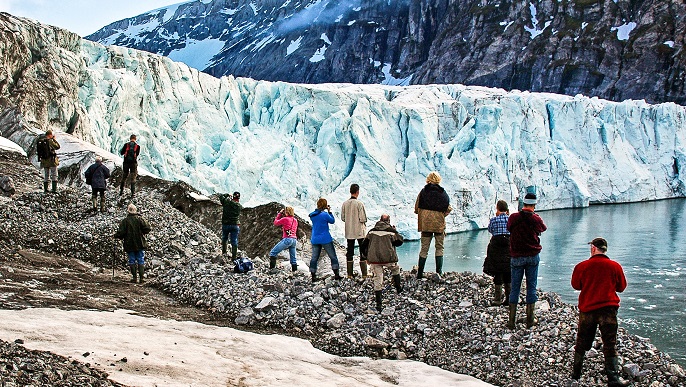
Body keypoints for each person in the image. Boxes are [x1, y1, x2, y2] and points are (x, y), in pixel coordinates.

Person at [571, 238, 630, 387]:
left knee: (582, 341)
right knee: (610, 343)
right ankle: (613, 379)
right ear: (605, 249)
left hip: (588, 310)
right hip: (608, 310)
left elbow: (576, 285)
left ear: (593, 248)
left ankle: (576, 375)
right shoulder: (614, 266)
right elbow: (621, 287)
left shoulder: (582, 266)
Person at [506, 192, 547, 329]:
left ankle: (511, 321)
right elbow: (543, 228)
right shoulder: (535, 219)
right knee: (531, 287)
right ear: (534, 205)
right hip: (532, 256)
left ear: (523, 203)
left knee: (515, 288)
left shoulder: (513, 217)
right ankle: (530, 319)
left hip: (517, 256)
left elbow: (509, 228)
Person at [360, 214, 404, 312]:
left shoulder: (371, 232)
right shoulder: (391, 232)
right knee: (395, 269)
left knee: (377, 279)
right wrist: (395, 230)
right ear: (388, 221)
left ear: (379, 220)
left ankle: (379, 305)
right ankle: (398, 288)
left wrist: (365, 257)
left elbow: (363, 245)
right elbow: (400, 241)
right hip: (389, 259)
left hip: (374, 260)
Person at [414, 171, 452, 278]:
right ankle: (439, 272)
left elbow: (416, 208)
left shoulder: (423, 192)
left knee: (424, 249)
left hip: (425, 226)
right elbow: (448, 208)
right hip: (439, 226)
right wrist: (441, 215)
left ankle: (420, 273)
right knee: (439, 247)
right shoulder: (443, 193)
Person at [114, 203, 151, 284]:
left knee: (132, 260)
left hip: (129, 243)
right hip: (140, 243)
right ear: (135, 210)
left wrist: (116, 236)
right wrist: (142, 232)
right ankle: (141, 278)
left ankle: (134, 278)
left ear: (128, 211)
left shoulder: (125, 221)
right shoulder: (140, 219)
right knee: (140, 259)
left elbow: (121, 232)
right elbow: (147, 228)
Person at [483, 200, 511, 306]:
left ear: (497, 208)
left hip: (496, 246)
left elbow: (490, 230)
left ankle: (497, 299)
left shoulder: (494, 220)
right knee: (508, 271)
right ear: (507, 209)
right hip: (508, 246)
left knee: (498, 271)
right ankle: (509, 298)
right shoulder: (510, 219)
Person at [308, 198, 342, 282]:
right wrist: (329, 211)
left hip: (315, 239)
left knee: (314, 258)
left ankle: (313, 276)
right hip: (325, 238)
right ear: (325, 205)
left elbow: (316, 215)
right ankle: (336, 274)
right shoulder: (325, 214)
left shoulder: (313, 215)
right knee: (332, 256)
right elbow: (332, 221)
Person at [341, 183, 368, 278]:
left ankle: (349, 274)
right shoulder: (359, 204)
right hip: (359, 231)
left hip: (349, 231)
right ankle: (364, 274)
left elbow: (343, 218)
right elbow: (363, 218)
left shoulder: (345, 204)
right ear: (357, 192)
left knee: (350, 251)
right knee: (363, 250)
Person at [269, 206, 299, 272]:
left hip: (287, 239)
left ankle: (272, 269)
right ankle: (295, 272)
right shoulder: (295, 220)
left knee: (273, 253)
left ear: (287, 212)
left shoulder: (285, 219)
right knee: (293, 259)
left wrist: (279, 214)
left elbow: (276, 222)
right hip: (294, 240)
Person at [218, 191, 242, 261]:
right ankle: (233, 257)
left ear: (233, 196)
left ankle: (224, 252)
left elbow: (220, 196)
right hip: (235, 225)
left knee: (224, 238)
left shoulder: (226, 202)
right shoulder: (239, 206)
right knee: (234, 241)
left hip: (225, 224)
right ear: (238, 198)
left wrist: (227, 195)